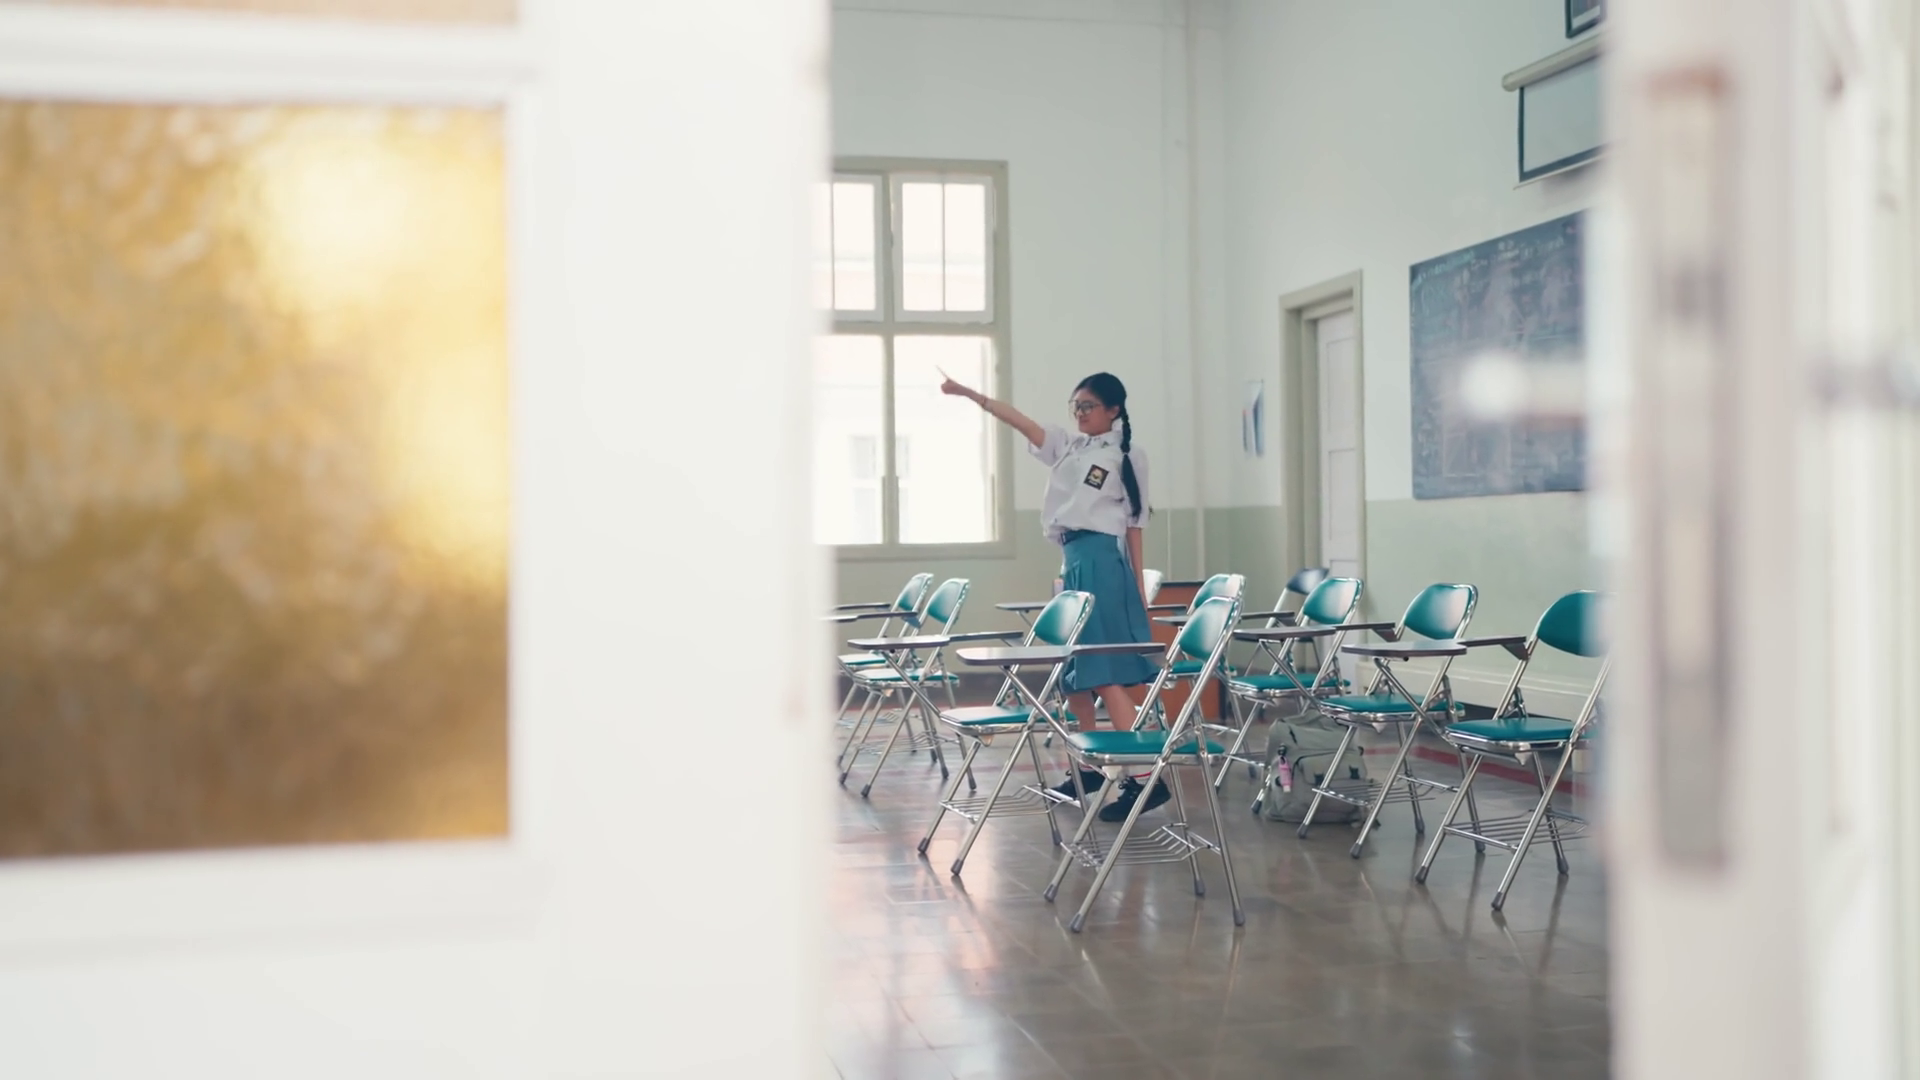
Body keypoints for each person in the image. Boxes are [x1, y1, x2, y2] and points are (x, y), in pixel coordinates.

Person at [940, 370, 1171, 822]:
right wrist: (969, 394)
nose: (1080, 413)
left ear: (1113, 410)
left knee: (1103, 672)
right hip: (1074, 559)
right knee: (1074, 675)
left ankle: (1146, 778)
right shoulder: (1069, 446)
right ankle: (1089, 768)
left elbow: (1135, 524)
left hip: (1102, 562)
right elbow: (1022, 423)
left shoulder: (1127, 455)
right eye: (1076, 406)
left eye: (1088, 406)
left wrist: (1137, 587)